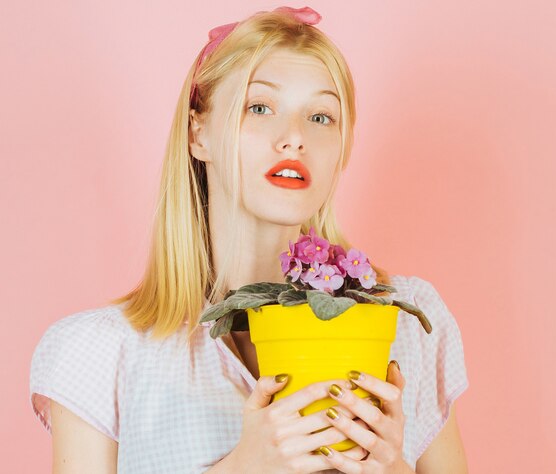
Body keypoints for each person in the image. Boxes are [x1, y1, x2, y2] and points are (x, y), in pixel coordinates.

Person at [29, 6, 470, 473]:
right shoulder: (98, 354)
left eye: (321, 116)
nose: (294, 138)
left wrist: (393, 469)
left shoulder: (406, 324)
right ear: (198, 133)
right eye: (259, 107)